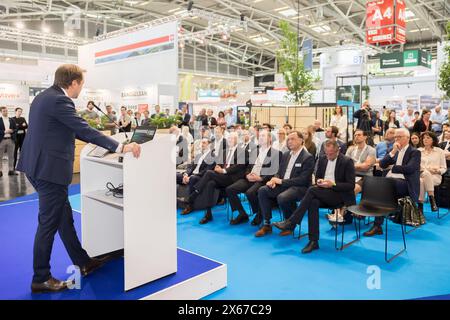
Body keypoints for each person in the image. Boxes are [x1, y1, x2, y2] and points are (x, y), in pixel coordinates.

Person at [16, 64, 141, 293]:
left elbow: (62, 129)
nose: (82, 88)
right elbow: (83, 130)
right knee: (48, 224)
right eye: (81, 83)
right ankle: (40, 277)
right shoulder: (60, 101)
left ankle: (83, 262)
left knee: (63, 217)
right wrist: (121, 146)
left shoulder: (44, 97)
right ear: (72, 82)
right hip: (49, 171)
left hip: (37, 167)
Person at [272, 140, 356, 254]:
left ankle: (292, 222)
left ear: (338, 150)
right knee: (313, 202)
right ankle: (313, 241)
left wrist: (333, 184)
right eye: (326, 153)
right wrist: (320, 181)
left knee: (311, 190)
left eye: (331, 153)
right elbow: (317, 178)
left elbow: (351, 185)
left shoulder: (347, 161)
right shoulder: (322, 159)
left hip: (339, 195)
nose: (328, 155)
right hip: (322, 192)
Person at [255, 131, 315, 235]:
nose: (289, 141)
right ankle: (267, 224)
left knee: (283, 197)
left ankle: (289, 224)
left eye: (293, 139)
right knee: (263, 190)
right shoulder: (286, 154)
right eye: (288, 139)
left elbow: (303, 180)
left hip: (299, 187)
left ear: (301, 141)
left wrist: (281, 181)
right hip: (283, 184)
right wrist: (274, 180)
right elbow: (279, 172)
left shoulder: (307, 157)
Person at [364, 128, 420, 237]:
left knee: (383, 185)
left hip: (405, 183)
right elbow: (382, 164)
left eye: (399, 137)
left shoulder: (414, 152)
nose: (396, 139)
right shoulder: (394, 150)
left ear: (407, 138)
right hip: (390, 182)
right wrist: (393, 152)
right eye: (395, 137)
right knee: (373, 183)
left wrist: (393, 167)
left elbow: (410, 168)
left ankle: (377, 223)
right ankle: (374, 219)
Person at [184, 132, 249, 223]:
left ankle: (194, 193)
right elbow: (219, 163)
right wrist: (218, 167)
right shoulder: (225, 151)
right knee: (210, 184)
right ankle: (208, 213)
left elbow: (239, 166)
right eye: (229, 138)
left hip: (233, 178)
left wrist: (223, 171)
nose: (229, 140)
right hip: (222, 177)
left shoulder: (242, 151)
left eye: (232, 138)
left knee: (209, 173)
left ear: (236, 140)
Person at [226, 130, 282, 225]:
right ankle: (242, 214)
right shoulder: (255, 151)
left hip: (262, 180)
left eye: (263, 136)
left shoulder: (276, 153)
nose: (260, 137)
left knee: (250, 192)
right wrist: (247, 175)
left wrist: (260, 178)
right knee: (230, 189)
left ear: (269, 138)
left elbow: (275, 171)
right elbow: (248, 167)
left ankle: (259, 214)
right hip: (250, 178)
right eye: (259, 136)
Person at [329, 130, 375, 223]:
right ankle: (337, 212)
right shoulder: (351, 149)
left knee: (352, 189)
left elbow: (366, 167)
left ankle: (341, 214)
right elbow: (343, 164)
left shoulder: (371, 150)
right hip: (351, 175)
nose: (356, 136)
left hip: (365, 177)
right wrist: (357, 167)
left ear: (365, 137)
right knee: (338, 186)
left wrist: (351, 166)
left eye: (359, 135)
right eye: (355, 135)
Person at [177, 138, 215, 208]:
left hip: (200, 177)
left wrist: (190, 176)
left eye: (204, 143)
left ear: (209, 145)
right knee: (176, 175)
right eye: (201, 143)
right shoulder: (199, 155)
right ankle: (173, 200)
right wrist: (186, 174)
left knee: (192, 178)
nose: (202, 144)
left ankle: (190, 205)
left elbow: (206, 171)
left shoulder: (212, 156)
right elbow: (191, 167)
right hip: (191, 175)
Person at [417, 131, 447, 212]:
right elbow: (415, 166)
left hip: (435, 177)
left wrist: (437, 171)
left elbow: (444, 168)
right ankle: (432, 199)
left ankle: (420, 208)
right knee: (423, 177)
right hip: (421, 175)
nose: (425, 140)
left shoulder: (440, 151)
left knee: (421, 181)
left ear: (433, 140)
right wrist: (423, 169)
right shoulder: (418, 151)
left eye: (428, 138)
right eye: (423, 138)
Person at [0, 106, 17, 177]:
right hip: (1, 140)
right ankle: (0, 171)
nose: (5, 112)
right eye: (4, 111)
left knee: (11, 156)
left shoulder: (11, 120)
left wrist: (12, 130)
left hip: (11, 140)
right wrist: (4, 131)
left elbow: (16, 128)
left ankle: (11, 170)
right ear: (1, 112)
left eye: (6, 111)